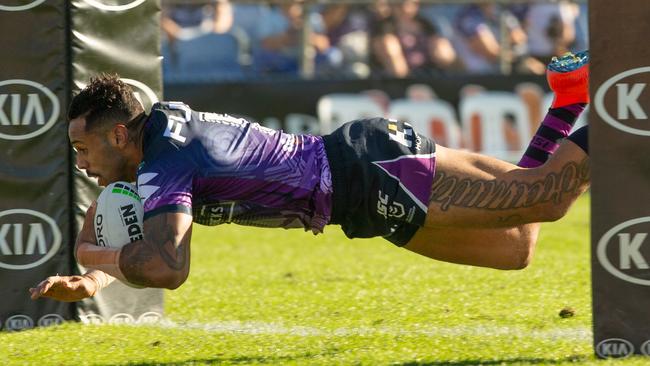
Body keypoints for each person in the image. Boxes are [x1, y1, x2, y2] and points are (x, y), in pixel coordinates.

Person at [29, 51, 590, 302]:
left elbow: (167, 267)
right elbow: (152, 239)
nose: (83, 164)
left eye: (84, 149)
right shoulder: (158, 143)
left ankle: (620, 107)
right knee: (517, 245)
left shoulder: (165, 160)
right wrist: (99, 280)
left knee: (546, 197)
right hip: (360, 189)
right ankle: (569, 104)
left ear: (120, 136)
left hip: (371, 175)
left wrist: (90, 256)